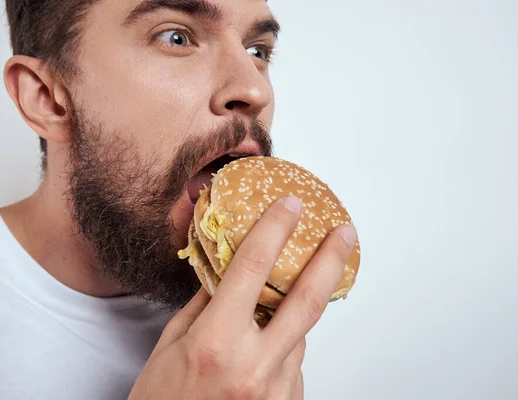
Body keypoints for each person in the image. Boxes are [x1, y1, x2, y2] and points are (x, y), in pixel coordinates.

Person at [0, 0, 358, 398]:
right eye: (177, 37)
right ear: (47, 98)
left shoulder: (267, 339)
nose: (255, 90)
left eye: (257, 51)